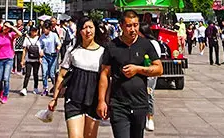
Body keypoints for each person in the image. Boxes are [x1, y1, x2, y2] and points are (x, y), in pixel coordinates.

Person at [98, 10, 163, 138]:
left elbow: (159, 69)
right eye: (129, 26)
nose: (133, 29)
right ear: (121, 26)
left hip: (140, 103)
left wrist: (138, 69)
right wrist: (101, 101)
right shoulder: (112, 46)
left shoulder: (146, 44)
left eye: (135, 25)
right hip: (118, 104)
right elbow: (104, 74)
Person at [49, 17, 107, 138]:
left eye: (90, 27)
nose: (88, 31)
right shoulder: (72, 51)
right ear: (79, 31)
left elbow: (106, 78)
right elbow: (61, 76)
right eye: (84, 28)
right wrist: (54, 98)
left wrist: (104, 101)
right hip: (74, 99)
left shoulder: (103, 52)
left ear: (95, 30)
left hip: (93, 100)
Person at [0, 20, 21, 103]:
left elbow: (20, 34)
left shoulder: (11, 35)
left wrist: (11, 27)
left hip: (9, 58)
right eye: (4, 26)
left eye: (7, 27)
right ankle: (1, 90)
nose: (5, 28)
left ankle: (5, 95)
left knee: (6, 78)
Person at [140, 24, 161, 132]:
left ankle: (150, 118)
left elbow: (157, 61)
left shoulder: (153, 44)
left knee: (149, 95)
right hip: (140, 72)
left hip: (150, 74)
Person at [40, 20, 62, 96]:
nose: (44, 30)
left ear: (49, 28)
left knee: (52, 73)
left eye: (46, 28)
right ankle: (45, 88)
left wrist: (58, 46)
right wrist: (41, 51)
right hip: (45, 56)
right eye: (43, 29)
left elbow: (58, 43)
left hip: (53, 56)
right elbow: (40, 45)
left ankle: (55, 87)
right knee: (44, 73)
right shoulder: (42, 37)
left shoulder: (54, 35)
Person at [21, 26, 43, 95]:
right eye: (33, 31)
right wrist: (23, 59)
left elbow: (41, 49)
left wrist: (40, 57)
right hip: (28, 59)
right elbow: (24, 50)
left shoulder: (40, 38)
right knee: (27, 74)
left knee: (35, 74)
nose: (34, 32)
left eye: (35, 31)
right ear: (30, 31)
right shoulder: (26, 39)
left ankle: (35, 87)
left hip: (37, 60)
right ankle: (24, 88)